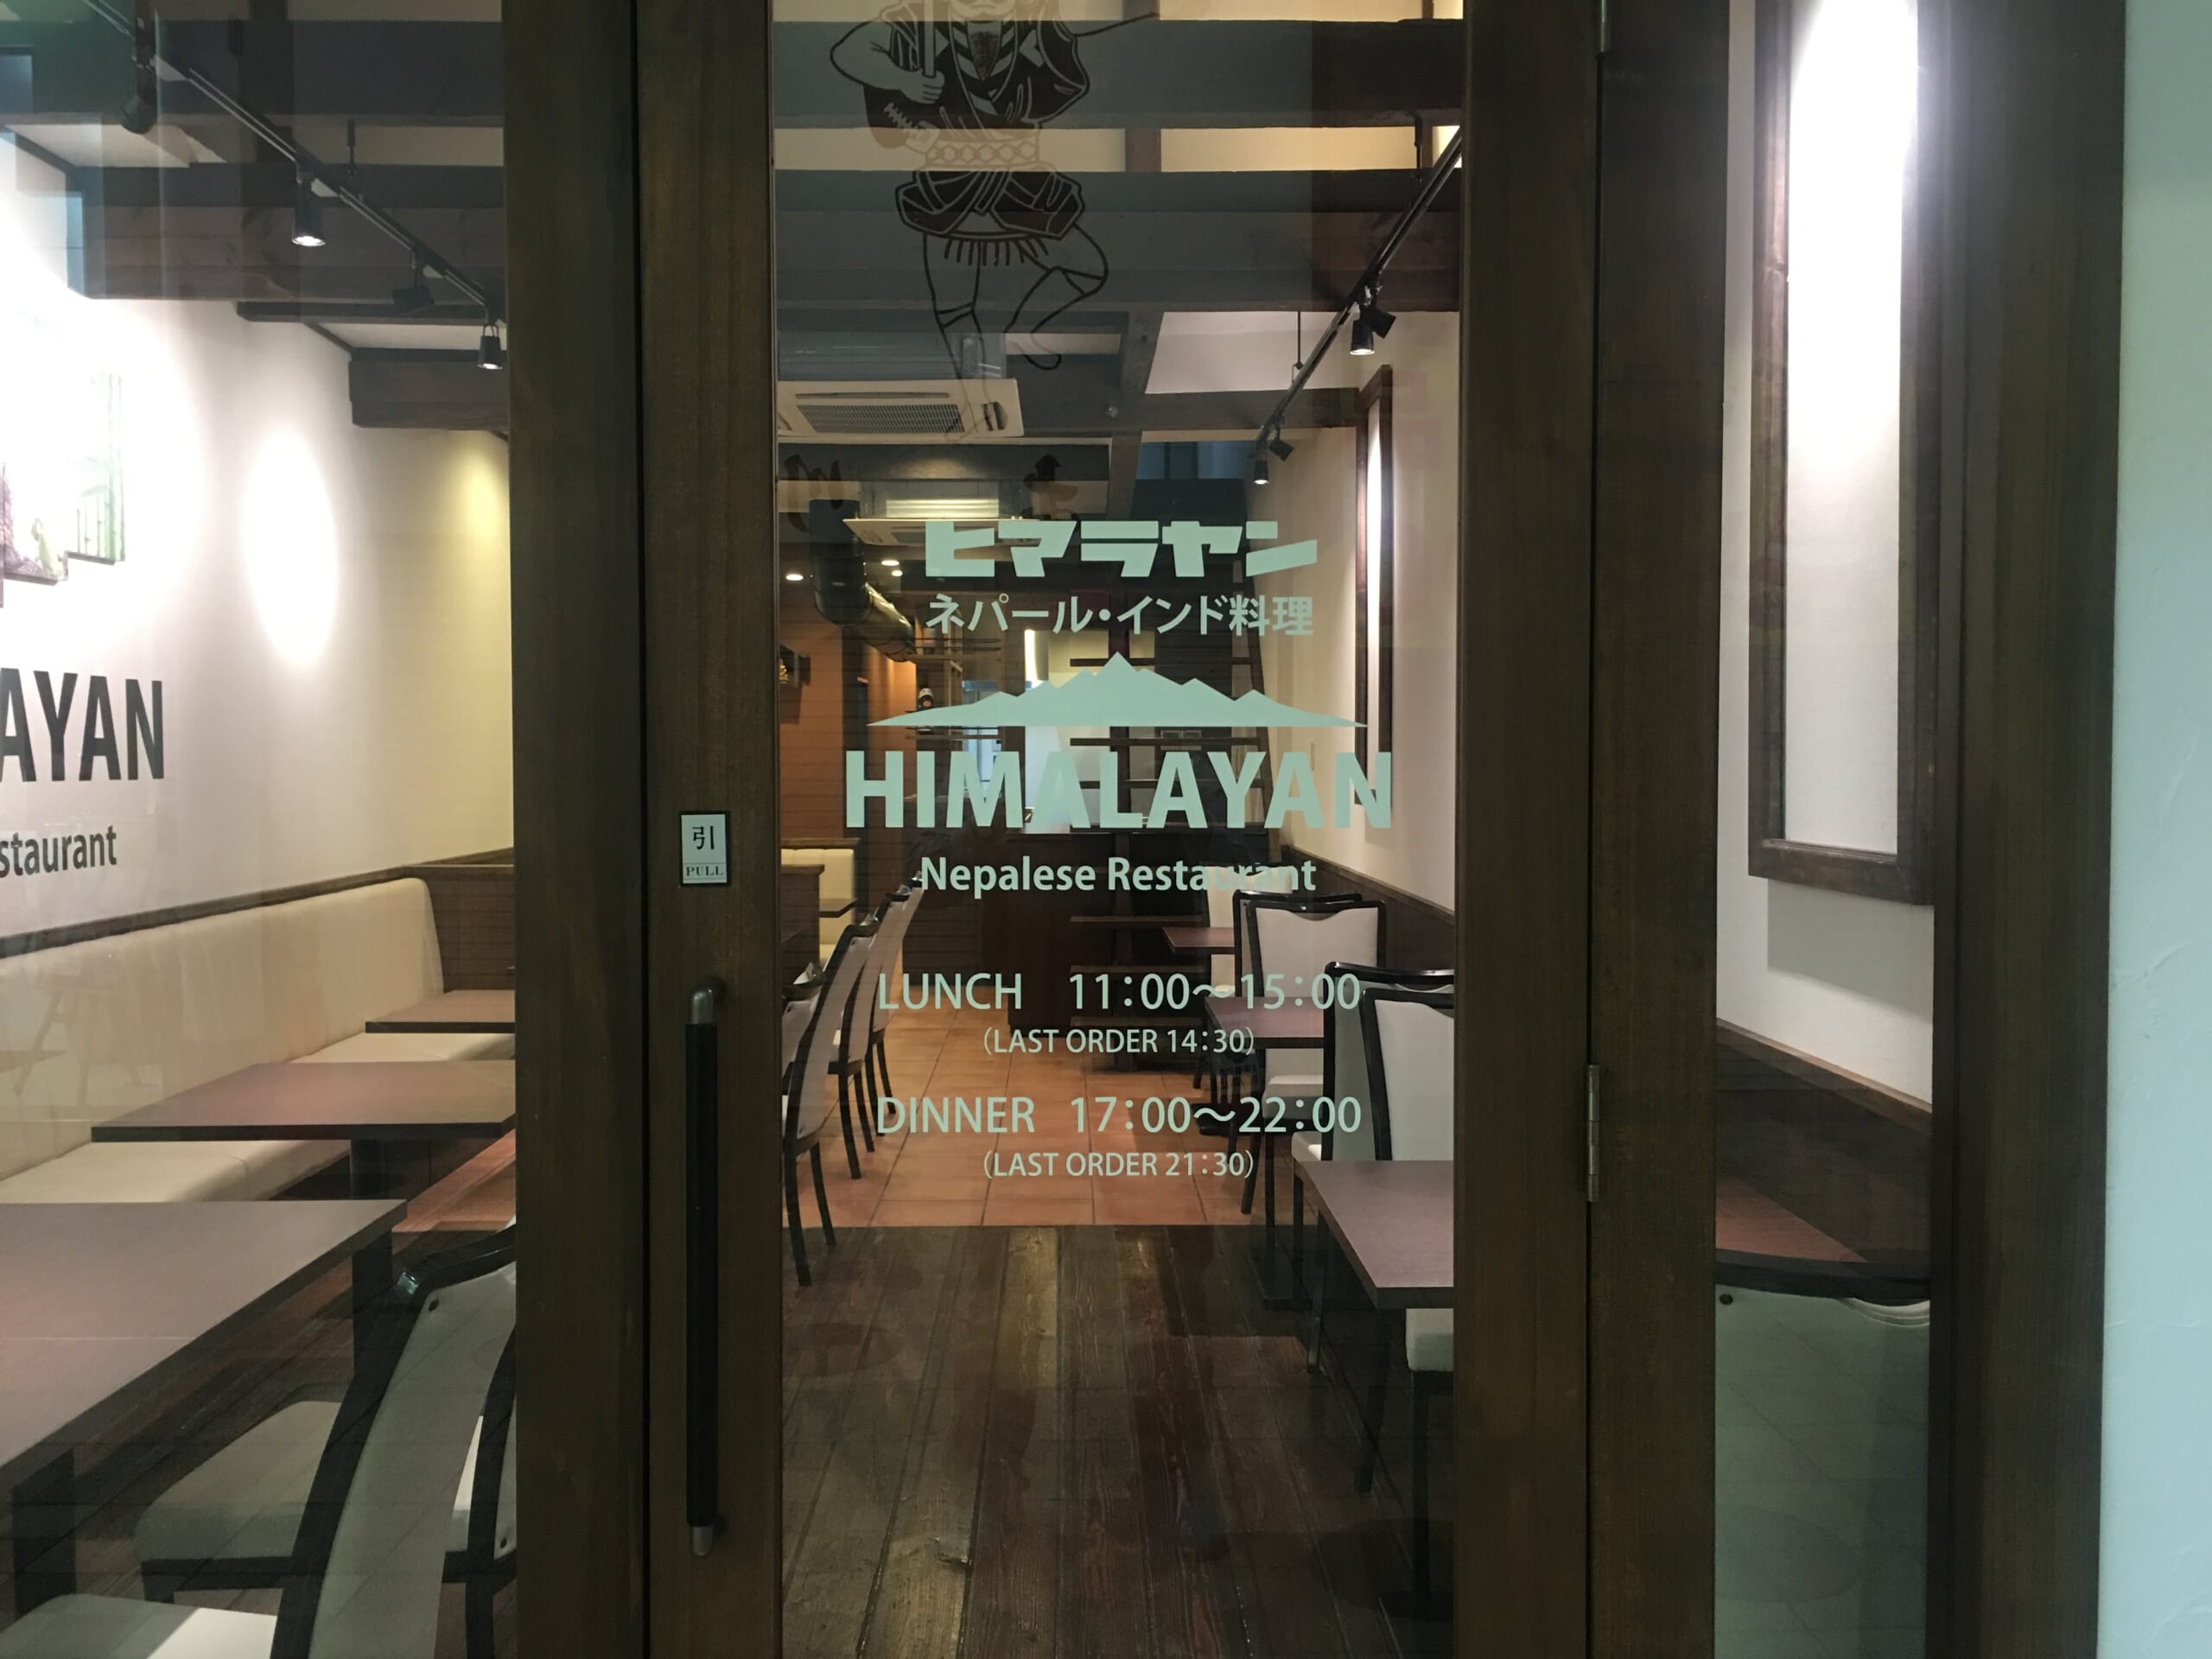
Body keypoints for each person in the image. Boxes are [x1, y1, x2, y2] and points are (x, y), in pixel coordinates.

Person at [831, 0, 1122, 377]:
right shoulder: (921, 19)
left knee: (1087, 268)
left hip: (1021, 181)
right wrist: (903, 80)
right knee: (953, 307)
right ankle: (972, 387)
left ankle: (1024, 330)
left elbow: (1069, 82)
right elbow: (850, 50)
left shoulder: (1032, 21)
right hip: (948, 183)